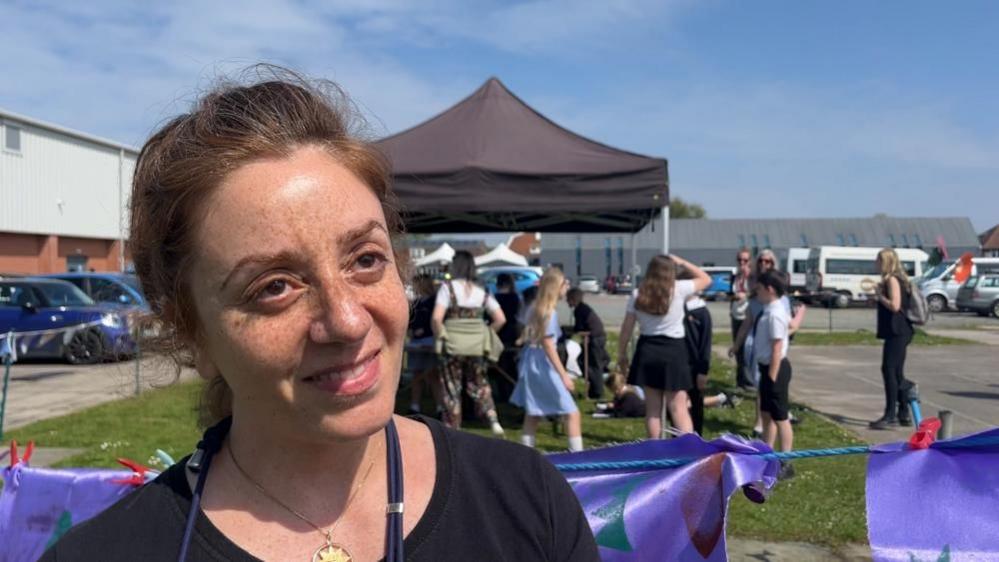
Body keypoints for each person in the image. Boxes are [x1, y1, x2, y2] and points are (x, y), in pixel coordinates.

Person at [41, 71, 599, 562]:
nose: (348, 321)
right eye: (275, 287)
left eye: (365, 259)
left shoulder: (526, 502)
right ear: (192, 333)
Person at [617, 255, 711, 438]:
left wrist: (621, 354)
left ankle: (655, 452)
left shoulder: (638, 294)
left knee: (653, 410)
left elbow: (626, 327)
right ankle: (688, 453)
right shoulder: (678, 289)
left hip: (647, 349)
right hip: (674, 351)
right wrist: (682, 261)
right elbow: (706, 279)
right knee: (678, 408)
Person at [431, 251, 506, 435]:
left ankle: (452, 426)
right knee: (479, 382)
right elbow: (500, 319)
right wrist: (486, 334)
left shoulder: (447, 288)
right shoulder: (483, 290)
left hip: (452, 344)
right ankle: (492, 419)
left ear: (456, 266)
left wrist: (440, 336)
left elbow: (436, 318)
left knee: (451, 386)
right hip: (477, 345)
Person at [511, 268, 583, 451]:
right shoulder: (549, 313)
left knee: (533, 412)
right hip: (543, 364)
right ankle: (577, 455)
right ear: (555, 287)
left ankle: (526, 452)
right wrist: (564, 375)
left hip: (531, 362)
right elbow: (549, 345)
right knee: (572, 412)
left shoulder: (535, 308)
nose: (567, 287)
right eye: (564, 284)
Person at [753, 271, 795, 479]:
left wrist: (771, 377)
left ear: (769, 290)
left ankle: (786, 460)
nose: (756, 292)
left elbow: (777, 347)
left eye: (759, 288)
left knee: (781, 416)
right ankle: (766, 454)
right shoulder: (768, 310)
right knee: (767, 415)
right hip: (767, 368)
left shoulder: (775, 313)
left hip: (775, 369)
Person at [870, 248, 916, 429]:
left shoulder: (892, 280)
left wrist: (879, 297)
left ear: (886, 262)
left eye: (878, 260)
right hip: (898, 331)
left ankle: (890, 414)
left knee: (888, 370)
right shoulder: (898, 279)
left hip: (898, 332)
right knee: (896, 372)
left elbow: (895, 306)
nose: (876, 263)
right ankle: (903, 412)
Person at [566, 287, 609, 399]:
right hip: (595, 338)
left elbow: (579, 328)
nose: (566, 302)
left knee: (593, 366)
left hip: (595, 339)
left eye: (568, 299)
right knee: (582, 362)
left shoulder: (580, 310)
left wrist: (568, 330)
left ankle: (598, 392)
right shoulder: (582, 308)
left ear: (573, 299)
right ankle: (594, 388)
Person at [407, 274, 439, 414]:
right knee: (417, 374)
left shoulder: (435, 301)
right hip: (415, 342)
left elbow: (435, 321)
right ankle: (415, 405)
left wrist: (425, 330)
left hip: (429, 341)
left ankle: (440, 407)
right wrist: (411, 330)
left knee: (433, 375)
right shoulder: (417, 302)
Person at [491, 273, 523, 403]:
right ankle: (513, 392)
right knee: (511, 366)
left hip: (499, 333)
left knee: (500, 365)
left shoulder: (495, 299)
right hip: (511, 332)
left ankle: (502, 393)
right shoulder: (516, 297)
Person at [730, 248, 754, 390]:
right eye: (740, 260)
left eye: (745, 260)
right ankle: (740, 381)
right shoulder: (736, 276)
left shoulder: (752, 277)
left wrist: (746, 295)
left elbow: (757, 293)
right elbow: (732, 293)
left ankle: (749, 382)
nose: (742, 263)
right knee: (737, 348)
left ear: (750, 262)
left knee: (747, 349)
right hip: (736, 314)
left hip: (747, 316)